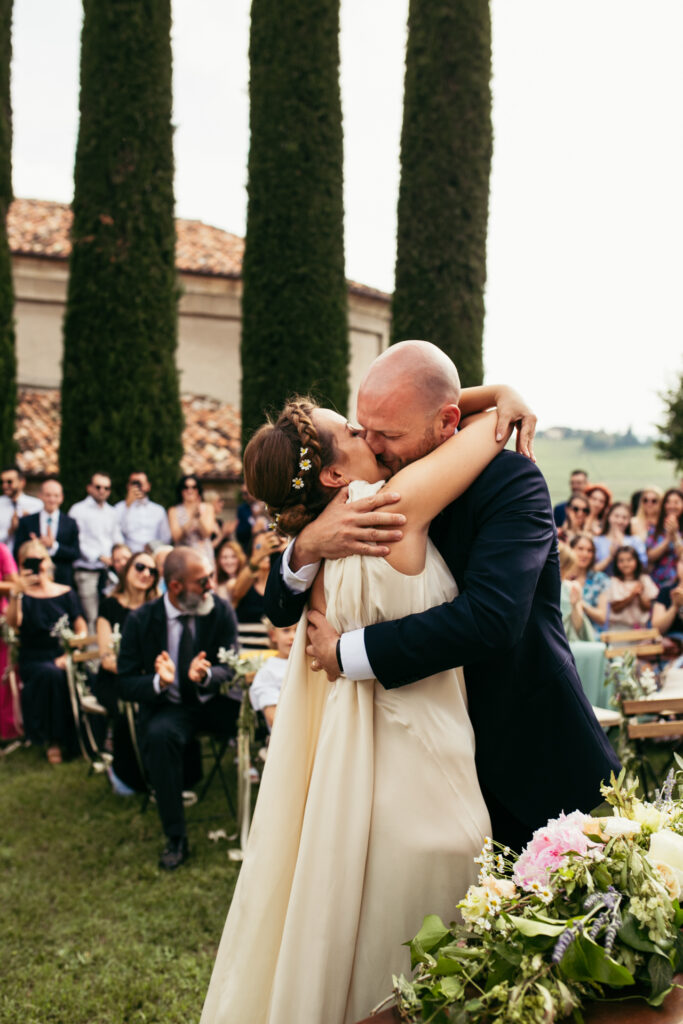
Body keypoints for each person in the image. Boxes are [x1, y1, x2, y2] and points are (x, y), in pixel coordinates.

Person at [202, 344, 618, 1023]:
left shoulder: (509, 482)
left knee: (571, 988)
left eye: (384, 434)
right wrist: (305, 546)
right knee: (452, 981)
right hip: (416, 775)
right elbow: (279, 603)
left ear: (441, 423)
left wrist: (349, 654)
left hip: (530, 757)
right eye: (361, 429)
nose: (371, 442)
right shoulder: (361, 499)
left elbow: (492, 621)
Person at [117, 547, 239, 870]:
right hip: (169, 707)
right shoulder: (140, 620)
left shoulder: (220, 610)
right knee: (158, 737)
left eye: (211, 577)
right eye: (203, 581)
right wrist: (159, 682)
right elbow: (125, 682)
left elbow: (232, 663)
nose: (211, 586)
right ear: (175, 587)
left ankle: (266, 826)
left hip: (211, 700)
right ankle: (176, 837)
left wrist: (208, 674)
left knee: (262, 717)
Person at [6, 540, 86, 763]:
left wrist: (71, 652)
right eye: (28, 562)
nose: (36, 566)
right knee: (50, 675)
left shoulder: (66, 592)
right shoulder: (22, 596)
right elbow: (14, 623)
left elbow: (80, 627)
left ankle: (82, 734)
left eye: (39, 560)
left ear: (47, 562)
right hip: (34, 657)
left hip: (63, 654)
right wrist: (16, 594)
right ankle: (55, 739)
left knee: (69, 672)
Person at [94, 551, 160, 794]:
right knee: (128, 709)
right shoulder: (109, 606)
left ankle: (162, 773)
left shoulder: (157, 608)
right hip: (114, 679)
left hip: (147, 676)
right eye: (140, 567)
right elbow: (106, 658)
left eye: (152, 571)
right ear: (127, 569)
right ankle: (126, 776)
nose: (146, 574)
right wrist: (137, 668)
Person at [68, 472, 124, 634]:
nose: (102, 491)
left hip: (109, 572)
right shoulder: (78, 510)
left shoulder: (112, 512)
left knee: (108, 614)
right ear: (89, 488)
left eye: (106, 488)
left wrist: (119, 555)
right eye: (98, 487)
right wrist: (99, 556)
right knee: (91, 615)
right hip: (87, 570)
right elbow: (78, 540)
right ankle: (92, 658)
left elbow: (116, 537)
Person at [13, 477, 80, 587]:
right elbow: (17, 550)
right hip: (33, 578)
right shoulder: (27, 522)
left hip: (61, 579)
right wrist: (33, 545)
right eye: (48, 495)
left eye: (56, 496)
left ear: (61, 498)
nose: (52, 499)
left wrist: (53, 546)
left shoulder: (70, 523)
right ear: (40, 496)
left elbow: (75, 553)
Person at [248, 619, 297, 729]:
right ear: (273, 635)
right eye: (286, 631)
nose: (293, 637)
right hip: (288, 734)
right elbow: (273, 718)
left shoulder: (315, 664)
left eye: (298, 631)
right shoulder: (268, 672)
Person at [597, 545, 658, 631]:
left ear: (636, 561)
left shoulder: (644, 579)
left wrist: (639, 595)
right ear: (616, 563)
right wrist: (632, 595)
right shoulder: (613, 581)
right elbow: (615, 608)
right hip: (619, 629)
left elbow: (648, 607)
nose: (625, 564)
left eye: (629, 560)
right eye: (621, 561)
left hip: (641, 628)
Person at [115, 471, 172, 552]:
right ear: (128, 486)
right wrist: (127, 507)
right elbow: (119, 533)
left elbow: (166, 538)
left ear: (148, 486)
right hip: (129, 554)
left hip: (153, 553)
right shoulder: (119, 508)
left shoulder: (158, 510)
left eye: (140, 483)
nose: (137, 487)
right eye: (134, 483)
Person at [168, 475, 216, 567]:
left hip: (203, 555)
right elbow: (176, 537)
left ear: (198, 490)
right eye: (185, 487)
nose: (190, 491)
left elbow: (206, 534)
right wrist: (191, 518)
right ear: (181, 490)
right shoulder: (174, 511)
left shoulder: (208, 508)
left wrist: (198, 518)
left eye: (194, 487)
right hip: (183, 557)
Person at [0, 542, 21, 740]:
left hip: (1, 621)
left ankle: (6, 731)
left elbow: (15, 584)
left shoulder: (1, 550)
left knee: (3, 678)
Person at [568, 532, 609, 629]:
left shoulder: (600, 579)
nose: (585, 554)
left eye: (590, 551)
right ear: (571, 550)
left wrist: (581, 604)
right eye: (580, 549)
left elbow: (602, 618)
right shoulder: (562, 578)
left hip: (592, 637)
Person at [594, 501, 647, 575]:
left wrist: (623, 545)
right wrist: (610, 557)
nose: (620, 521)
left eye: (624, 518)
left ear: (629, 521)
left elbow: (643, 565)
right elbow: (592, 570)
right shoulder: (597, 541)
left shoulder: (635, 541)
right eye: (616, 516)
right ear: (609, 517)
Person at [646, 487, 683, 589]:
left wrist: (675, 535)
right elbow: (650, 557)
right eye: (668, 502)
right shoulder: (655, 529)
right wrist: (667, 540)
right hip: (658, 583)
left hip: (679, 583)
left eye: (676, 502)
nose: (672, 506)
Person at [0, 465, 43, 545]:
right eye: (2, 482)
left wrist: (28, 522)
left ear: (22, 482)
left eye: (9, 482)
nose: (4, 485)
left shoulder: (37, 505)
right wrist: (10, 530)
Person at [652, 551, 683, 647]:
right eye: (682, 562)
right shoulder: (666, 591)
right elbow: (657, 628)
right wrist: (674, 606)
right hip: (670, 646)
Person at [213, 537, 247, 604]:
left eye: (233, 556)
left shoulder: (247, 579)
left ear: (240, 558)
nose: (229, 561)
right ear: (219, 560)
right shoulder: (218, 585)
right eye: (224, 557)